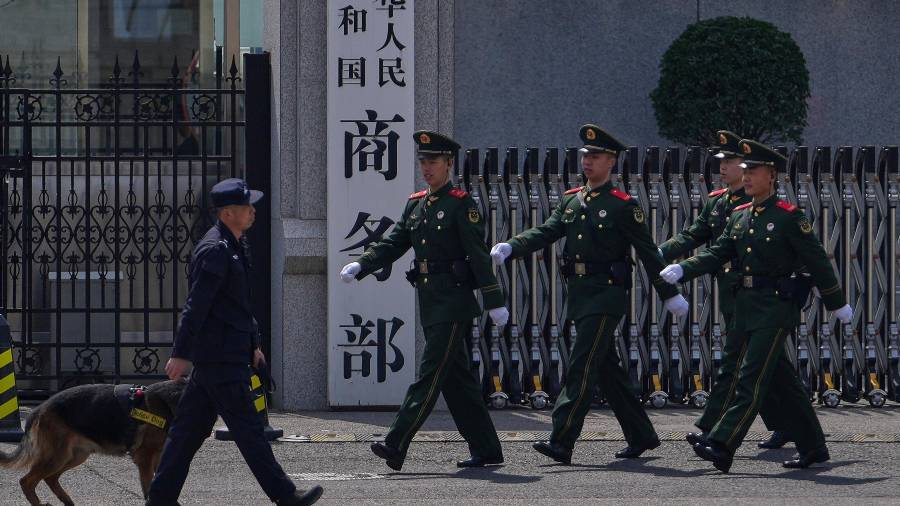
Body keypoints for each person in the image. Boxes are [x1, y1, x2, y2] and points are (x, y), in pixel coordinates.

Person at [491, 124, 689, 464]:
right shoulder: (572, 199)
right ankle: (641, 435)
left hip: (607, 296)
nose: (587, 162)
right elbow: (547, 231)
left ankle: (561, 440)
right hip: (580, 296)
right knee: (606, 369)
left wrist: (668, 294)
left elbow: (649, 253)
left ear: (611, 162)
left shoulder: (623, 205)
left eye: (595, 156)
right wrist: (513, 246)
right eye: (585, 156)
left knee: (581, 367)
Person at [660, 140, 853, 473]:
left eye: (754, 170)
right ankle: (814, 447)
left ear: (772, 175)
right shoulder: (739, 215)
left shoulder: (789, 217)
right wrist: (683, 269)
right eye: (745, 170)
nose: (747, 176)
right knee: (770, 377)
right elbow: (717, 253)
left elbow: (818, 261)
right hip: (745, 307)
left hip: (776, 308)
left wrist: (836, 302)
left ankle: (722, 442)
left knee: (751, 377)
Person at [340, 131, 509, 471]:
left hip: (454, 303)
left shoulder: (461, 204)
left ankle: (396, 442)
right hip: (431, 302)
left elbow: (477, 256)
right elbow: (394, 243)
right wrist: (364, 264)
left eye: (433, 161)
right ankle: (487, 448)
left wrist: (494, 300)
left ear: (449, 164)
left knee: (429, 375)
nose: (426, 167)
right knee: (457, 381)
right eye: (423, 161)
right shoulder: (416, 203)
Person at [146, 179, 322, 505]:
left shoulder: (235, 245)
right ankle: (286, 496)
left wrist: (253, 345)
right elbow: (197, 306)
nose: (253, 212)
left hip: (224, 355)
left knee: (186, 433)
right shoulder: (215, 250)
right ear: (228, 213)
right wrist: (181, 353)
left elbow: (237, 305)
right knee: (250, 433)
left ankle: (160, 499)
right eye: (246, 207)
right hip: (220, 360)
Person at [658, 131, 789, 450]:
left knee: (738, 366)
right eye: (722, 162)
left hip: (756, 295)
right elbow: (694, 234)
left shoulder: (755, 203)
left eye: (730, 162)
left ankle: (713, 429)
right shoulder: (718, 201)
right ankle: (792, 426)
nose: (724, 168)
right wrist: (662, 251)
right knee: (769, 366)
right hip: (731, 293)